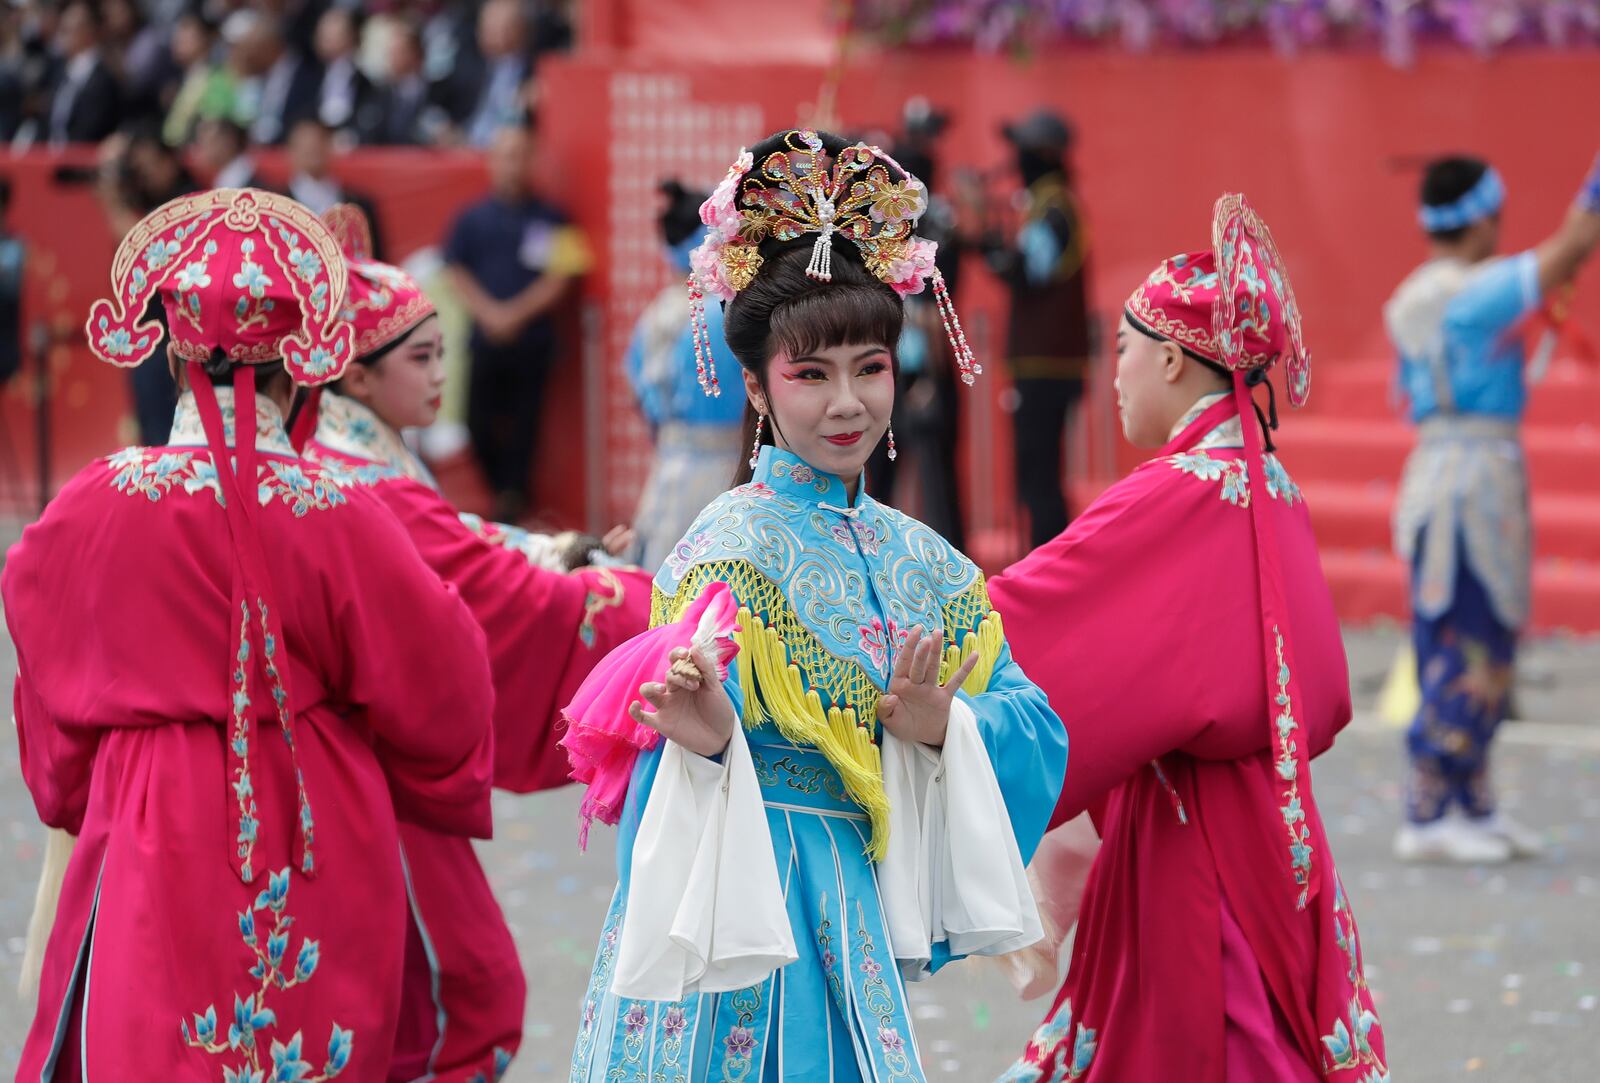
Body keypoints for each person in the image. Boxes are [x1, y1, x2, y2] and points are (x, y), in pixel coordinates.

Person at [562, 129, 1067, 1083]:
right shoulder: (727, 548)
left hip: (851, 910)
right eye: (811, 374)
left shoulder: (929, 562)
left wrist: (943, 726)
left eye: (870, 367)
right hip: (736, 912)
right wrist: (709, 741)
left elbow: (1032, 724)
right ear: (756, 384)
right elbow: (658, 784)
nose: (848, 404)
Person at [4, 187, 496, 1080]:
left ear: (174, 349)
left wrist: (81, 775)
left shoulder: (98, 498)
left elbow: (46, 669)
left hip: (152, 806)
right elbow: (445, 683)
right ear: (298, 368)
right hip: (316, 810)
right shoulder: (340, 508)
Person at [990, 195, 1387, 1082]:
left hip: (1190, 838)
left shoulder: (1178, 492)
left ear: (1171, 358)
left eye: (1124, 351)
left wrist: (886, 607)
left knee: (1195, 1036)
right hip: (1271, 823)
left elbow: (1030, 614)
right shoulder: (1265, 479)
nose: (1117, 375)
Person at [296, 203, 650, 1082]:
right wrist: (636, 602)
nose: (439, 375)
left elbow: (461, 538)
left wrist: (565, 554)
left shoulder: (345, 458)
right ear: (356, 377)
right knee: (459, 989)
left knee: (413, 989)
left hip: (354, 761)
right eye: (420, 357)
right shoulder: (364, 480)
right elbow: (484, 585)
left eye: (441, 349)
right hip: (371, 770)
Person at [1387, 154, 1600, 863]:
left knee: (1476, 636)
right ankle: (1429, 805)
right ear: (1481, 218)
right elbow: (1570, 248)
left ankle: (1471, 801)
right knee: (1467, 637)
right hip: (1472, 481)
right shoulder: (1472, 295)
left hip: (1445, 471)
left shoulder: (1419, 292)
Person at [444, 121, 591, 522]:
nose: (513, 164)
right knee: (476, 424)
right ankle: (496, 493)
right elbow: (456, 270)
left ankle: (513, 501)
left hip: (532, 342)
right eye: (505, 156)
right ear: (492, 162)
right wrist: (490, 313)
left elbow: (563, 275)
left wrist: (515, 314)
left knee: (527, 429)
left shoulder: (552, 218)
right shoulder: (471, 219)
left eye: (521, 155)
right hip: (485, 340)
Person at [973, 107, 1093, 547]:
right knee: (1036, 476)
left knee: (1039, 479)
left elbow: (1028, 273)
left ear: (1043, 155)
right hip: (1045, 365)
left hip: (1047, 366)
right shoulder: (1050, 205)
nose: (1016, 161)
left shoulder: (1054, 209)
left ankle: (1047, 571)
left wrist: (990, 247)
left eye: (1022, 151)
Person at [624, 179, 745, 571]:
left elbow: (643, 398)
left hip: (671, 464)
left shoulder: (656, 315)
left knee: (663, 572)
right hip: (730, 464)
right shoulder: (725, 314)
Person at [284, 117, 385, 253]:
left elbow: (375, 261)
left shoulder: (359, 205)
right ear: (292, 151)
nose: (313, 152)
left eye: (318, 144)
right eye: (305, 147)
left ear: (330, 146)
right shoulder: (277, 206)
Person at [41, 1, 120, 146]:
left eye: (69, 29)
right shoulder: (60, 73)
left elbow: (91, 131)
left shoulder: (103, 80)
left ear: (91, 29)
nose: (63, 35)